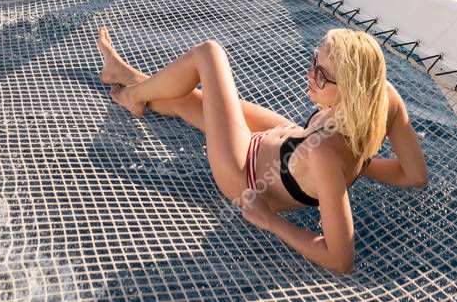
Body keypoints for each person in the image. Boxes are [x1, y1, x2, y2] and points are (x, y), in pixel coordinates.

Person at [96, 26, 427, 276]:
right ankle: (126, 77)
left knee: (209, 55)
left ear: (353, 91)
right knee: (195, 101)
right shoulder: (383, 96)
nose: (310, 75)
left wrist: (271, 222)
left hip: (244, 172)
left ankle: (131, 96)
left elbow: (340, 260)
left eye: (323, 75)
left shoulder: (326, 155)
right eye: (315, 61)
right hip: (289, 141)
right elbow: (414, 175)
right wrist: (354, 168)